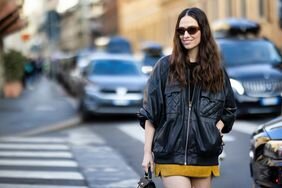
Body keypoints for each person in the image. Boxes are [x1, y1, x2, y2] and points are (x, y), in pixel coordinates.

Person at [138, 7, 237, 188]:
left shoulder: (217, 72)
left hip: (204, 156)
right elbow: (150, 114)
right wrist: (147, 153)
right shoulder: (164, 67)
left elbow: (229, 110)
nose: (186, 35)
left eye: (191, 29)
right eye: (181, 30)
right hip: (170, 154)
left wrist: (215, 130)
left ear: (203, 31)